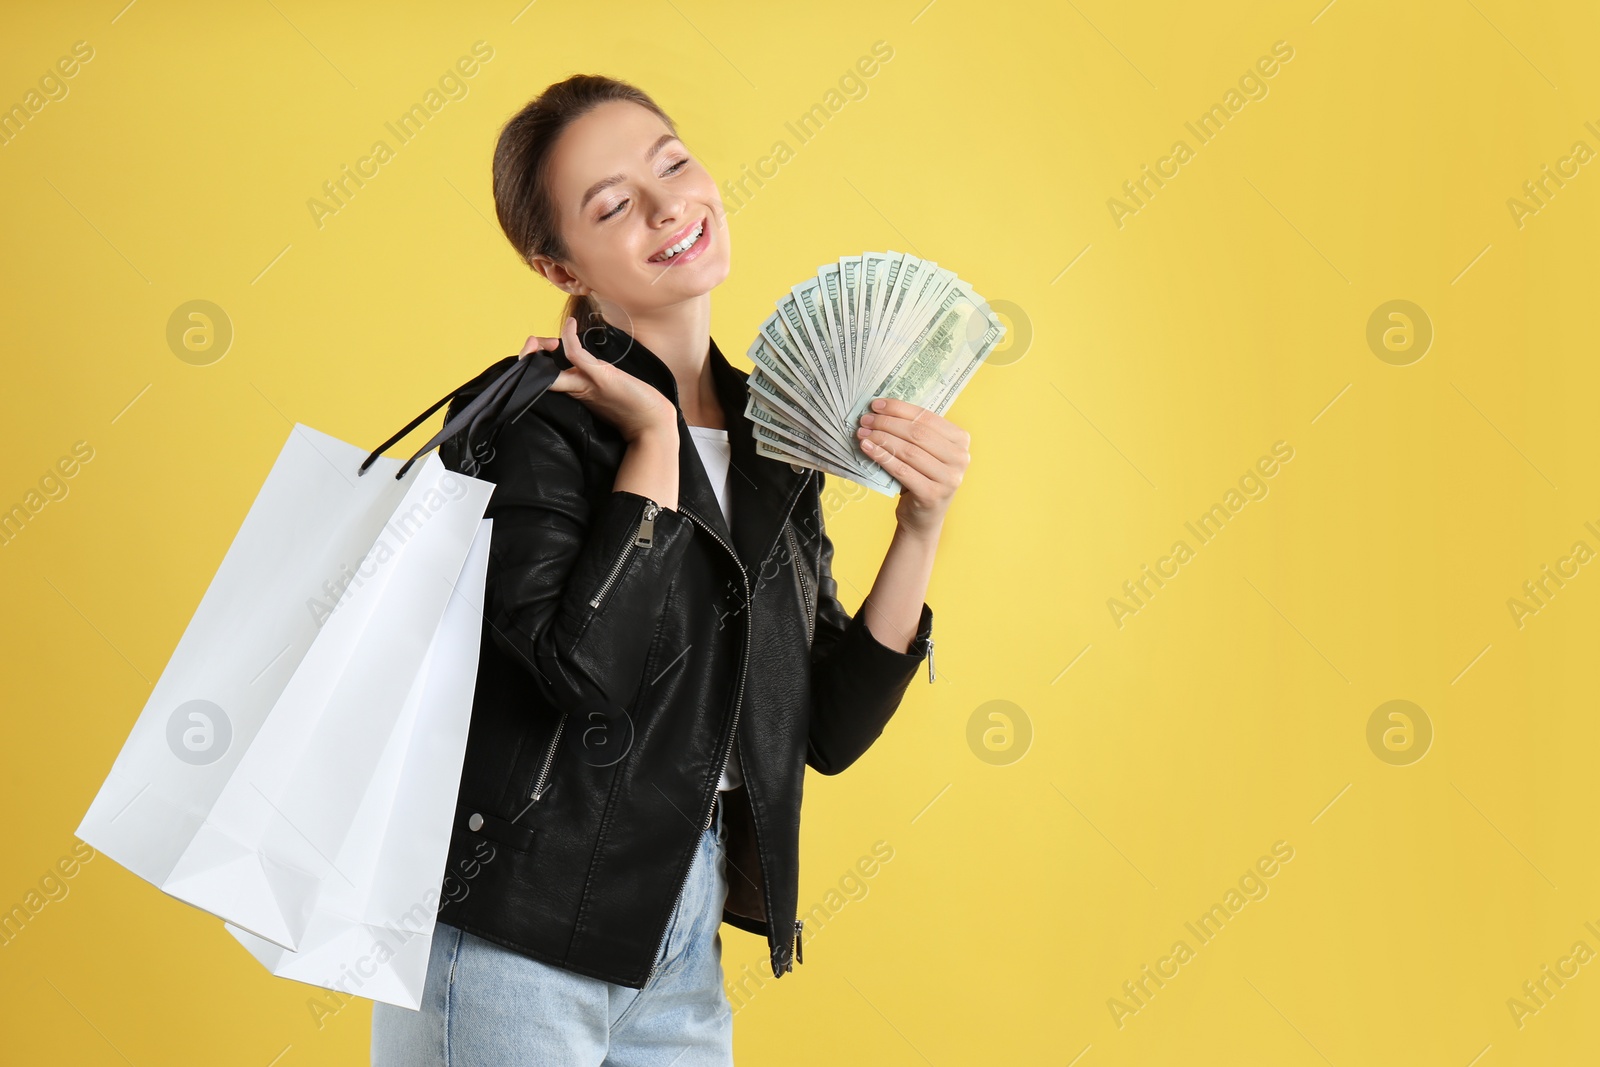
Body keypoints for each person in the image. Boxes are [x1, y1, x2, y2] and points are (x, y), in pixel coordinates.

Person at [371, 73, 971, 1066]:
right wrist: (649, 441)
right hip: (514, 923)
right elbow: (577, 676)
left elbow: (820, 728)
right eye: (611, 206)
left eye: (673, 163)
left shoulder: (776, 434)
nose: (665, 208)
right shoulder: (536, 421)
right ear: (555, 262)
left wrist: (920, 522)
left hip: (678, 929)